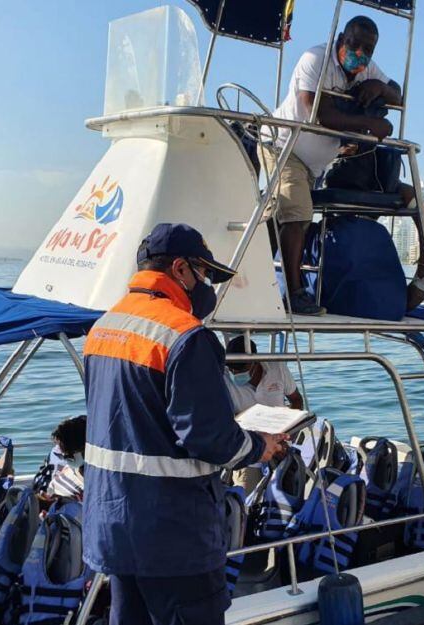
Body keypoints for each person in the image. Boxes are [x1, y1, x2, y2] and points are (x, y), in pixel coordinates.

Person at [82, 223, 289, 625]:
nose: (208, 285)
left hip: (113, 526)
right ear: (180, 269)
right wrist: (261, 445)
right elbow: (209, 437)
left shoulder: (103, 328)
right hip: (172, 536)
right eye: (205, 273)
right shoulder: (185, 336)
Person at [262, 15, 424, 314]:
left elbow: (397, 94)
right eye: (353, 44)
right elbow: (318, 113)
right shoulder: (315, 58)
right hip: (283, 145)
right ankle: (294, 294)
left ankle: (255, 274)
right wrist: (371, 123)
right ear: (341, 39)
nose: (359, 52)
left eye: (367, 49)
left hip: (315, 164)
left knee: (274, 216)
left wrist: (377, 87)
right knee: (297, 210)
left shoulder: (365, 68)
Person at [224, 336, 304, 413]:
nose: (235, 373)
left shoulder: (278, 368)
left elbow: (296, 399)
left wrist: (291, 422)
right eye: (231, 368)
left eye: (241, 369)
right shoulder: (223, 378)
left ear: (255, 361)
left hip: (279, 424)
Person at [33, 415, 87, 502]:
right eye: (62, 455)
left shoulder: (91, 485)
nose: (65, 459)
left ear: (83, 448)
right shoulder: (70, 469)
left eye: (67, 456)